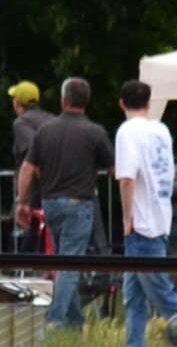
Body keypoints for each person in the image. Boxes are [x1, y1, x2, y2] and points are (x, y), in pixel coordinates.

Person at [14, 77, 114, 329]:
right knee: (70, 264)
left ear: (63, 100)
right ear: (87, 102)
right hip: (78, 204)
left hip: (50, 204)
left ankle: (73, 320)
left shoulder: (45, 131)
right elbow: (114, 169)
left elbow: (27, 168)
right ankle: (56, 320)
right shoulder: (95, 132)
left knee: (62, 262)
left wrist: (22, 202)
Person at [114, 78, 177, 347]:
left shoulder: (127, 132)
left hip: (140, 224)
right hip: (159, 217)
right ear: (149, 103)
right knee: (133, 293)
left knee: (161, 292)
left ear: (122, 103)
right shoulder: (161, 130)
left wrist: (126, 217)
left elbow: (126, 179)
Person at [8, 81, 52, 253]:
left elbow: (33, 155)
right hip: (55, 183)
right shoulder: (52, 119)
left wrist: (23, 199)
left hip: (36, 186)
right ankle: (24, 266)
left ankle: (22, 268)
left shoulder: (21, 123)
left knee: (35, 228)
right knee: (40, 231)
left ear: (17, 103)